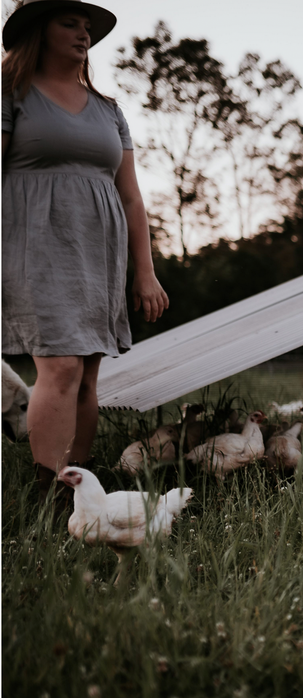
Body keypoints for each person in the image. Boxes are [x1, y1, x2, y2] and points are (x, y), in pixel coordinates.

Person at [2, 0, 168, 501]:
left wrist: (146, 272)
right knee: (61, 368)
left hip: (98, 251)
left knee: (88, 374)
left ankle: (83, 489)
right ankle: (48, 492)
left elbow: (132, 195)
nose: (82, 34)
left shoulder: (109, 109)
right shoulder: (12, 93)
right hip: (34, 246)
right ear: (39, 29)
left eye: (86, 26)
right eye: (68, 23)